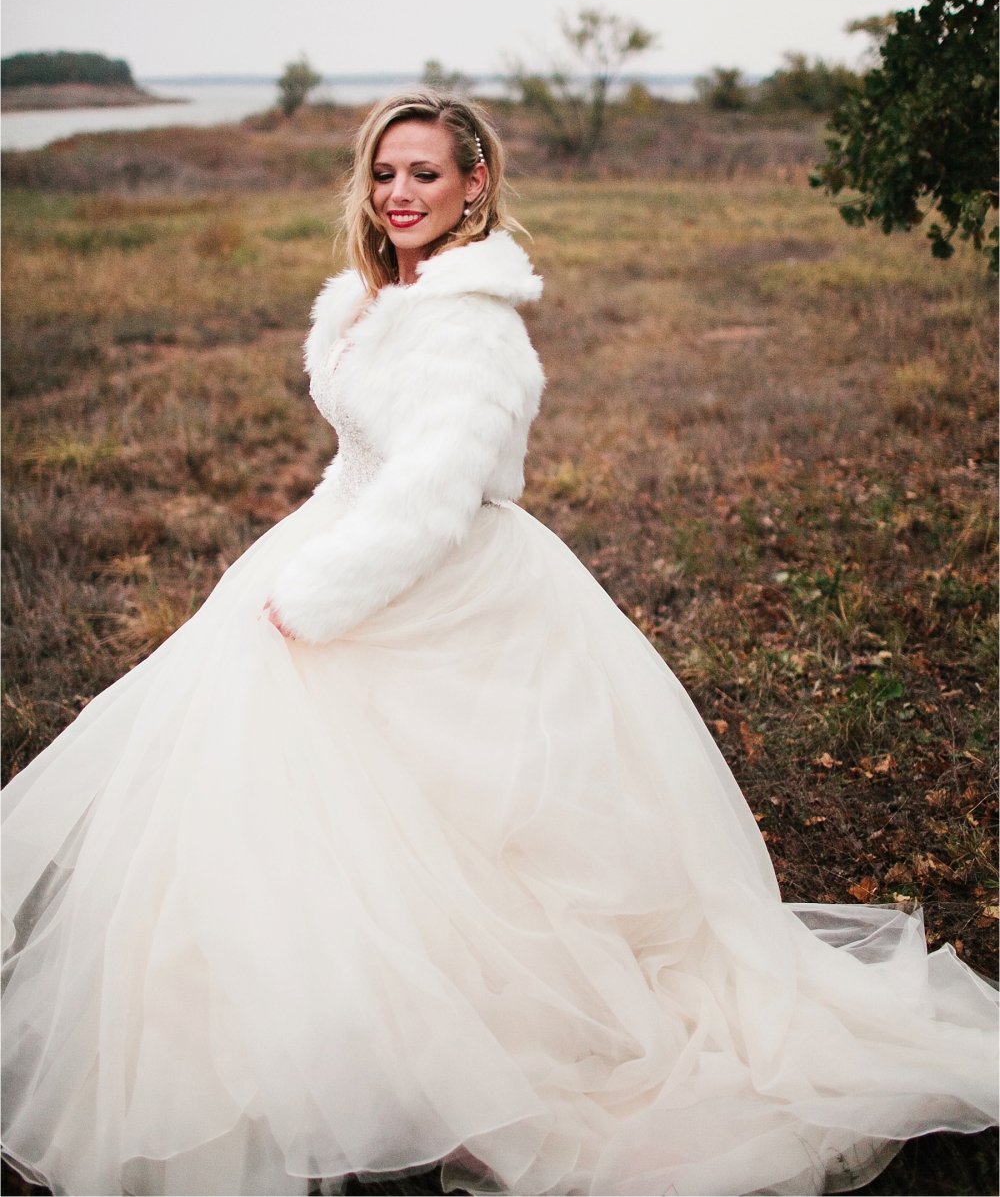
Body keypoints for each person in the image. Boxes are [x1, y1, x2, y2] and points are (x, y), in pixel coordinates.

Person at [1, 90, 996, 1197]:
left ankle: (493, 1073)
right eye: (385, 173)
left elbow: (435, 487)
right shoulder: (380, 303)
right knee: (338, 821)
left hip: (445, 585)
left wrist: (322, 590)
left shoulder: (469, 320)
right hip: (363, 547)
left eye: (424, 174)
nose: (398, 193)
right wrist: (304, 547)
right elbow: (369, 456)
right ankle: (377, 1054)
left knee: (476, 838)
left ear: (473, 186)